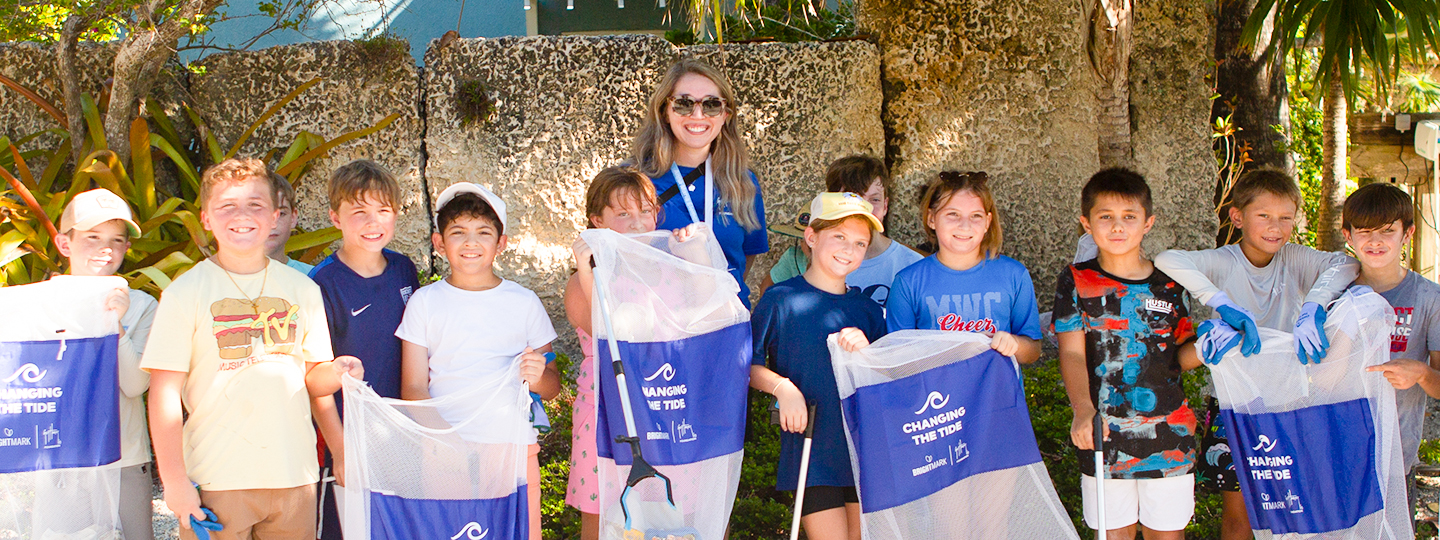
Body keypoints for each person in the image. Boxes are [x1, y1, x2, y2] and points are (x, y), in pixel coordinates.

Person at [142, 157, 363, 538]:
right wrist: (175, 483)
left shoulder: (304, 290)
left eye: (255, 205)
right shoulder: (184, 293)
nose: (241, 215)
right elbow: (163, 394)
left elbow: (314, 380)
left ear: (276, 216)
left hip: (295, 476)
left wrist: (337, 372)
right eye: (227, 206)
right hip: (217, 478)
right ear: (206, 218)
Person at [1154, 168, 1358, 540]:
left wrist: (1314, 304)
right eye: (1263, 215)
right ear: (1237, 216)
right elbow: (1167, 259)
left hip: (1291, 403)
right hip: (1235, 405)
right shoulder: (1224, 261)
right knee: (1240, 515)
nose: (1275, 226)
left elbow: (1346, 264)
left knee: (1294, 508)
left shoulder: (1295, 258)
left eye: (1285, 217)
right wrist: (1221, 303)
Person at [397, 182, 560, 540]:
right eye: (458, 233)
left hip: (512, 446)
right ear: (440, 242)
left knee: (515, 532)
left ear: (500, 243)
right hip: (443, 448)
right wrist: (447, 441)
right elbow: (412, 387)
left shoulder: (524, 301)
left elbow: (552, 386)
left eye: (483, 233)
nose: (471, 243)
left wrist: (537, 377)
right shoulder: (425, 302)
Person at [1054, 168, 1203, 540]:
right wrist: (1083, 410)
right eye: (1106, 217)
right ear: (1086, 223)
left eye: (1129, 217)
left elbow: (1179, 358)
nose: (1117, 227)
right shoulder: (1075, 280)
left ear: (1148, 223)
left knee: (1166, 535)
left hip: (1170, 436)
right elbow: (1071, 354)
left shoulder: (1171, 285)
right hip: (1103, 435)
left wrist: (1210, 346)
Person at [563, 166, 706, 540]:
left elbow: (709, 322)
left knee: (673, 513)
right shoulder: (583, 281)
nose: (638, 223)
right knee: (605, 509)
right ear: (599, 221)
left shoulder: (676, 270)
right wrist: (586, 268)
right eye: (623, 214)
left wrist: (696, 254)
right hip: (607, 412)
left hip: (668, 407)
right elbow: (599, 327)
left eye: (645, 211)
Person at [749, 192, 887, 540]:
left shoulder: (868, 310)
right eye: (839, 237)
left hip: (862, 449)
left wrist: (868, 352)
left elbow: (885, 379)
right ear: (811, 237)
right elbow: (746, 365)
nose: (848, 249)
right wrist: (783, 388)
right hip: (813, 448)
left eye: (859, 243)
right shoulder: (781, 300)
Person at [308, 159, 420, 540]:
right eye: (359, 212)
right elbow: (315, 379)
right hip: (347, 437)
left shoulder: (405, 270)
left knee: (396, 527)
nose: (373, 223)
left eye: (382, 211)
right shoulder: (321, 284)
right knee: (345, 528)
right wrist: (340, 450)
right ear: (334, 217)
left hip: (399, 430)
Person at [52, 188, 158, 540]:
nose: (105, 249)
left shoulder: (142, 305)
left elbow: (134, 385)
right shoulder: (40, 303)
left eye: (117, 239)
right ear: (64, 243)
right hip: (58, 459)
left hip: (124, 457)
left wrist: (116, 325)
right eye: (92, 237)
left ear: (128, 247)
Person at [630, 58, 768, 306]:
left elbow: (744, 259)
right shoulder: (633, 180)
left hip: (727, 323)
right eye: (683, 104)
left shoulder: (743, 182)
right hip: (660, 327)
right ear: (665, 110)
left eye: (711, 105)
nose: (697, 115)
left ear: (725, 114)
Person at [1341, 183, 1440, 512]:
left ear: (1407, 233)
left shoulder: (1430, 298)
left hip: (1397, 455)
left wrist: (1422, 373)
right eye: (1365, 231)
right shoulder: (1331, 295)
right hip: (1338, 448)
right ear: (1348, 235)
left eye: (1388, 230)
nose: (1376, 241)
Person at [886, 171, 1042, 364]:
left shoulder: (1014, 275)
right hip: (935, 393)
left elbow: (1033, 350)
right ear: (931, 218)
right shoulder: (908, 282)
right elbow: (898, 359)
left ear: (988, 221)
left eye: (976, 216)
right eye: (953, 214)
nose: (964, 225)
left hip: (996, 392)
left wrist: (1014, 344)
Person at [760, 155, 922, 306]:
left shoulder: (913, 265)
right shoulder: (801, 257)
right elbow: (769, 296)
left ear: (886, 206)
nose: (864, 209)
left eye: (875, 200)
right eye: (853, 198)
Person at [266, 171, 314, 274]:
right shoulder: (224, 282)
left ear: (293, 217)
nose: (272, 223)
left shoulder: (314, 278)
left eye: (281, 214)